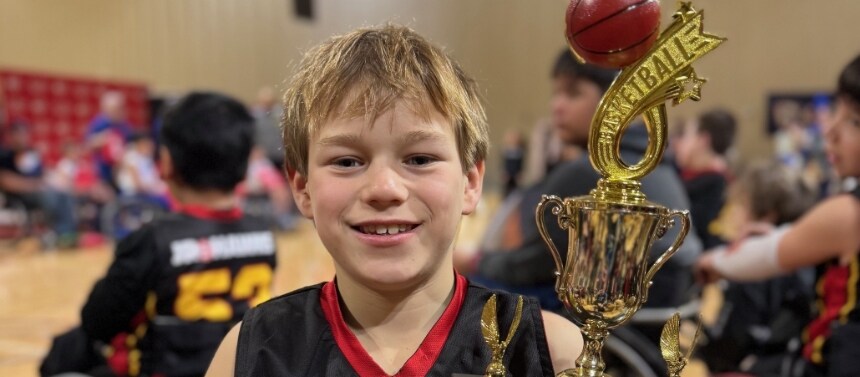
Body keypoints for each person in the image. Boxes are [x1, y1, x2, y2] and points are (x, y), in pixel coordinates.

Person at [206, 25, 581, 376]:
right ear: (302, 189)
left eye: (419, 159)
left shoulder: (552, 351)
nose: (384, 188)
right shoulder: (245, 353)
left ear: (470, 182)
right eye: (347, 162)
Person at [41, 92, 278, 377]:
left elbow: (97, 321)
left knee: (64, 353)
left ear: (166, 163)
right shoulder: (263, 235)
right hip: (236, 368)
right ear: (245, 166)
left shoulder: (152, 240)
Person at [463, 50, 702, 312]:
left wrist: (475, 261)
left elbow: (532, 266)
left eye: (573, 93)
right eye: (556, 93)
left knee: (468, 291)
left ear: (616, 101)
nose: (557, 106)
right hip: (662, 312)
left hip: (619, 318)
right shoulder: (657, 165)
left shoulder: (590, 173)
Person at [696, 53, 860, 376]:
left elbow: (766, 255)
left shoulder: (849, 214)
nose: (830, 131)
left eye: (854, 121)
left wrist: (711, 262)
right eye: (836, 112)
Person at [698, 160, 816, 374]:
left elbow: (735, 339)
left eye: (741, 204)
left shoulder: (755, 266)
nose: (733, 213)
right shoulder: (801, 261)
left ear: (768, 215)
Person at [674, 108, 737, 248]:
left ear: (703, 140)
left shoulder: (715, 186)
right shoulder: (687, 175)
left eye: (686, 136)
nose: (678, 143)